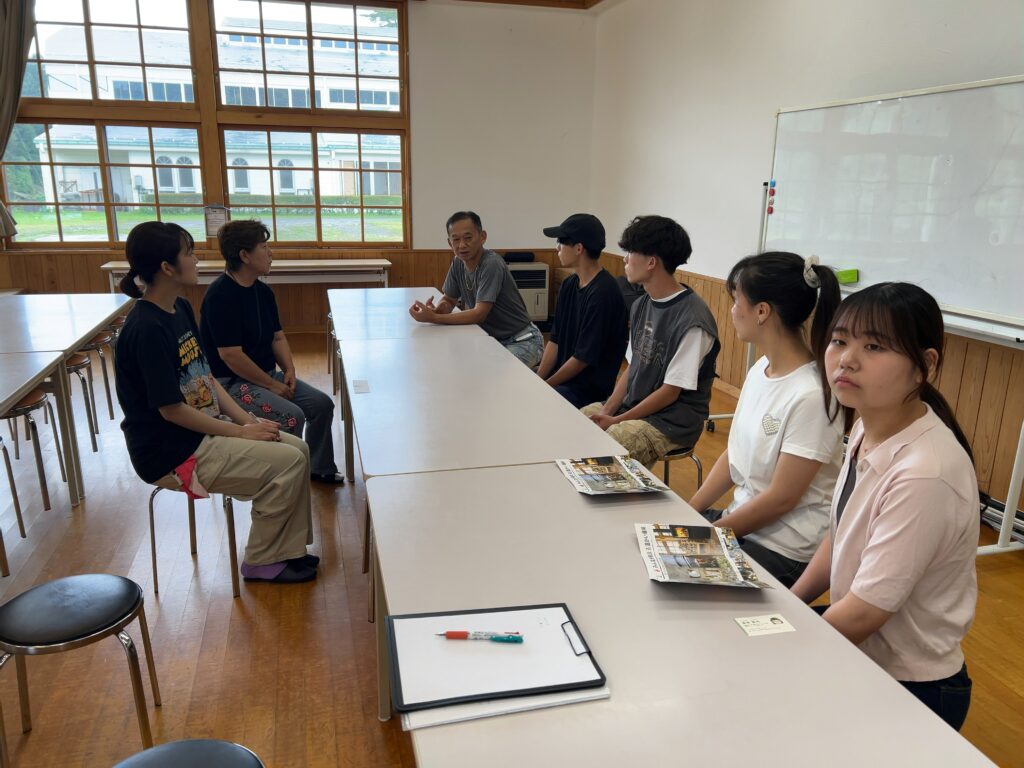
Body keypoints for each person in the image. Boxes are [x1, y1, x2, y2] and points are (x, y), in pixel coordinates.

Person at [791, 282, 979, 730]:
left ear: (924, 366)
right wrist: (787, 606)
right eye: (839, 341)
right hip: (861, 650)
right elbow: (840, 536)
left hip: (912, 687)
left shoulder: (924, 472)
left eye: (874, 346)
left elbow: (866, 612)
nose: (847, 359)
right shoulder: (868, 424)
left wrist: (783, 643)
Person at [114, 221, 318, 584]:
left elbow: (205, 377)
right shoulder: (145, 329)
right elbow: (171, 410)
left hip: (201, 434)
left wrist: (247, 423)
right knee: (287, 462)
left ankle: (288, 550)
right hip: (172, 453)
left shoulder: (179, 308)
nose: (196, 260)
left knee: (298, 449)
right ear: (166, 267)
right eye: (189, 253)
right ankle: (261, 560)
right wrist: (239, 433)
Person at [687, 252, 843, 587]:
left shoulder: (811, 395)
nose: (732, 310)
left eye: (736, 301)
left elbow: (782, 499)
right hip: (743, 526)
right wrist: (689, 510)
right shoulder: (761, 369)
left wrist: (709, 536)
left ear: (762, 311)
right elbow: (734, 455)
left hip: (784, 548)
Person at [199, 220, 344, 484]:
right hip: (231, 384)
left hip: (266, 376)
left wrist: (289, 369)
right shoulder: (220, 296)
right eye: (264, 247)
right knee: (291, 416)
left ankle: (318, 468)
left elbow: (277, 336)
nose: (270, 253)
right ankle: (284, 480)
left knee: (321, 405)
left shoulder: (262, 291)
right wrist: (270, 384)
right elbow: (230, 355)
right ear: (244, 255)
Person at [581, 215, 720, 467]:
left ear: (651, 262)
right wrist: (607, 411)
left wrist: (617, 420)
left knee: (613, 442)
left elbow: (669, 393)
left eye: (630, 252)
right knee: (579, 421)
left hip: (671, 420)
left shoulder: (693, 320)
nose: (625, 259)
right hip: (634, 406)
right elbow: (632, 368)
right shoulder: (641, 304)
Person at [408, 211, 543, 367]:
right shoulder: (458, 262)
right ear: (449, 243)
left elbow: (479, 314)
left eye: (468, 238)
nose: (462, 245)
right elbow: (449, 299)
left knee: (489, 374)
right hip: (490, 340)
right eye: (456, 239)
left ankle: (536, 373)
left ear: (482, 237)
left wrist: (434, 318)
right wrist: (437, 310)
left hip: (522, 340)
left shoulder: (491, 263)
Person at [536, 213, 628, 407]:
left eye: (561, 242)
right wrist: (538, 380)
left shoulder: (604, 293)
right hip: (564, 380)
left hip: (587, 391)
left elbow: (582, 358)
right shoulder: (569, 284)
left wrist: (545, 386)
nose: (557, 248)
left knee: (536, 404)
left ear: (579, 248)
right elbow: (555, 340)